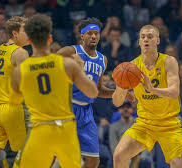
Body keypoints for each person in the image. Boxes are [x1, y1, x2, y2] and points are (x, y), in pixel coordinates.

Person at [11, 14, 98, 168]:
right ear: (50, 38)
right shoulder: (67, 64)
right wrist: (80, 69)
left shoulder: (20, 71)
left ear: (29, 40)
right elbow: (92, 92)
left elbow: (14, 102)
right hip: (65, 130)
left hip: (39, 130)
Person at [57, 17, 133, 168]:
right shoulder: (70, 51)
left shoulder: (102, 60)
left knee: (93, 160)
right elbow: (49, 65)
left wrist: (119, 93)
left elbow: (98, 90)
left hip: (86, 112)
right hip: (67, 109)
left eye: (96, 33)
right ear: (82, 36)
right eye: (89, 33)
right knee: (56, 158)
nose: (93, 36)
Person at [112, 25, 182, 168]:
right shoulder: (131, 67)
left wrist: (152, 89)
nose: (146, 39)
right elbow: (116, 102)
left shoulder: (169, 62)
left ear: (157, 41)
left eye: (150, 37)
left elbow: (174, 92)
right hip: (145, 124)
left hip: (169, 124)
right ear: (139, 42)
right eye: (143, 37)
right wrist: (121, 88)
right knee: (119, 156)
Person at [0, 16, 29, 163]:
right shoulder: (20, 53)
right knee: (27, 152)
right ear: (15, 33)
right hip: (12, 109)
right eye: (26, 31)